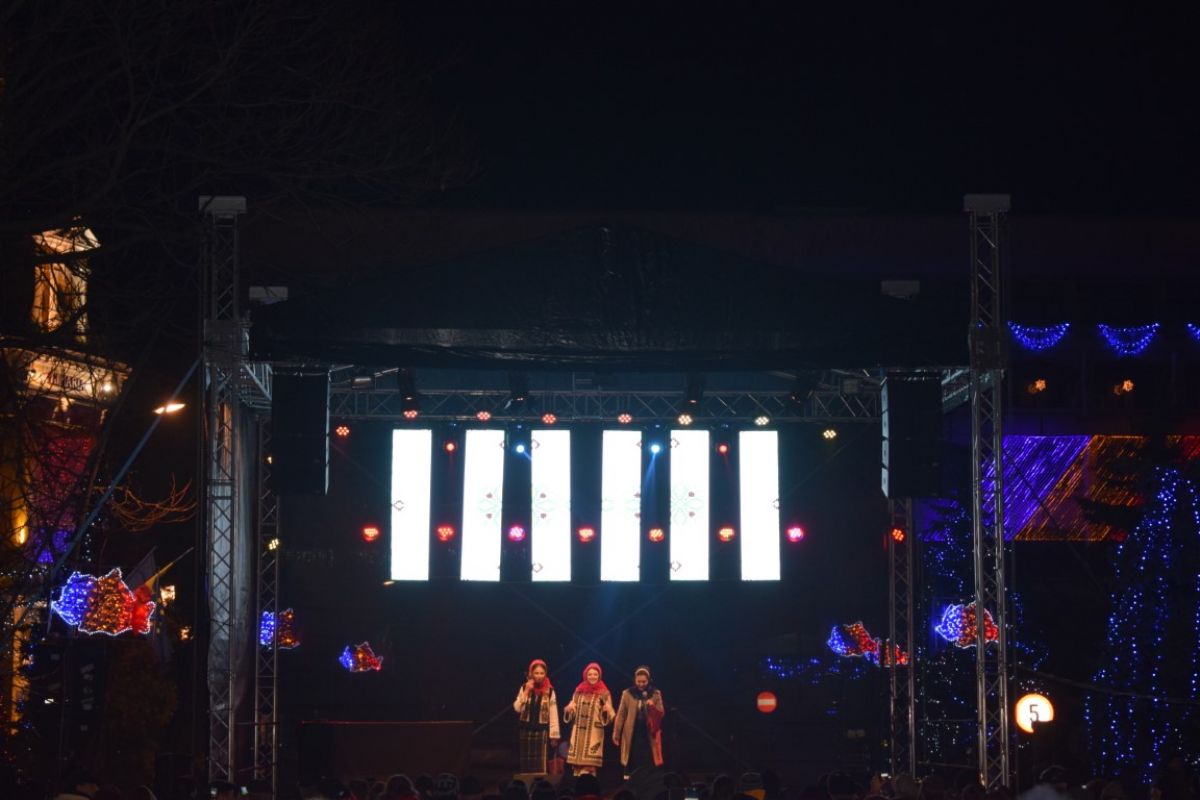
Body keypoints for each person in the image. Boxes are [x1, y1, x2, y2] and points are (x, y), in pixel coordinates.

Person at [613, 666, 665, 780]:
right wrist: (616, 734)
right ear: (635, 680)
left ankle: (648, 781)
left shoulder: (655, 694)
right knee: (632, 758)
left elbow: (661, 713)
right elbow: (621, 714)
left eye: (644, 682)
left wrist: (652, 706)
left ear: (648, 680)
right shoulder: (627, 694)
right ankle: (631, 782)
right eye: (638, 681)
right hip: (632, 733)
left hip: (648, 733)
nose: (641, 684)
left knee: (648, 759)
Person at [563, 662, 614, 776]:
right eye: (590, 674)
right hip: (578, 734)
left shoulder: (604, 693)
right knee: (577, 769)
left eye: (595, 674)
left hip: (593, 734)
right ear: (585, 675)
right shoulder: (578, 691)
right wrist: (569, 709)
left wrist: (607, 711)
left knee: (589, 768)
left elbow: (610, 715)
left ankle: (589, 785)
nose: (592, 677)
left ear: (599, 676)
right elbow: (572, 708)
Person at [514, 658, 562, 774]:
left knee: (540, 765)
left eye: (542, 673)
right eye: (536, 673)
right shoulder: (524, 688)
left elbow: (553, 714)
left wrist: (554, 736)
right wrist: (526, 692)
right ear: (531, 673)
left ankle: (540, 783)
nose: (539, 676)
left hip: (541, 731)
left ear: (545, 674)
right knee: (526, 765)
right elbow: (517, 708)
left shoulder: (550, 691)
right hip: (526, 730)